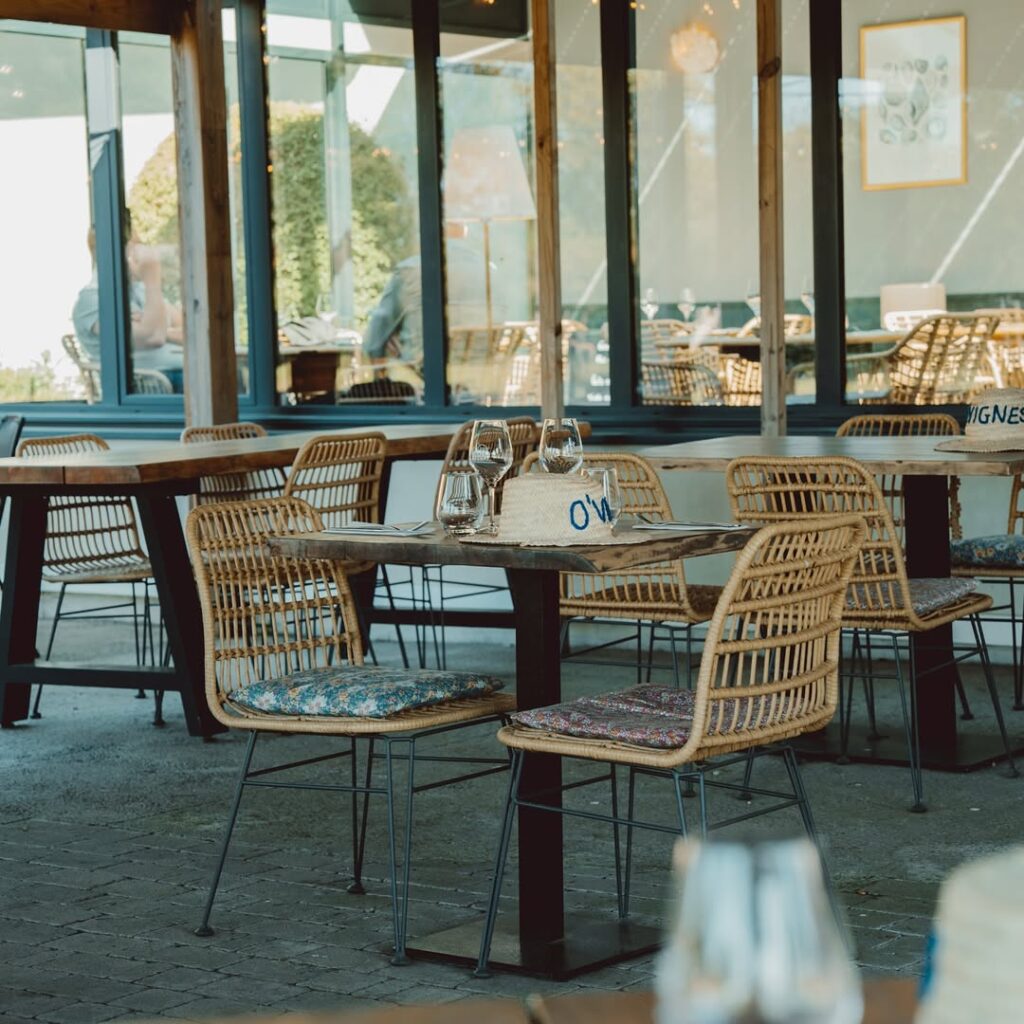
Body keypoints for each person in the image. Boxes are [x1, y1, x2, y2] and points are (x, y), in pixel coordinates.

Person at [72, 215, 185, 392]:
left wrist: (163, 331)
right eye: (133, 246)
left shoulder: (139, 290)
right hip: (150, 387)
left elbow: (191, 333)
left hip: (178, 375)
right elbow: (152, 338)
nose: (140, 252)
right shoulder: (94, 299)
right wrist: (152, 280)